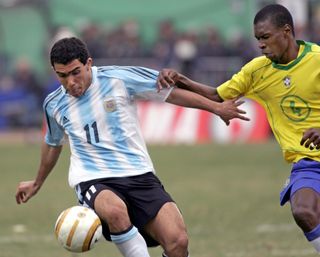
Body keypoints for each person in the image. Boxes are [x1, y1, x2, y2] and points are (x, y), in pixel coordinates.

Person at [15, 37, 249, 257]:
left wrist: (215, 108)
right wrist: (37, 182)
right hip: (93, 178)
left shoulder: (119, 78)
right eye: (62, 76)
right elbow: (53, 143)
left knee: (178, 242)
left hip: (139, 174)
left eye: (76, 72)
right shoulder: (54, 104)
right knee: (115, 211)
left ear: (88, 64)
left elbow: (172, 94)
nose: (71, 82)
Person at [157, 4, 320, 253]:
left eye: (265, 37)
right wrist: (181, 79)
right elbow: (217, 94)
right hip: (308, 162)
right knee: (303, 210)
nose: (261, 45)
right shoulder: (257, 71)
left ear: (286, 32)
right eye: (257, 39)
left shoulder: (317, 60)